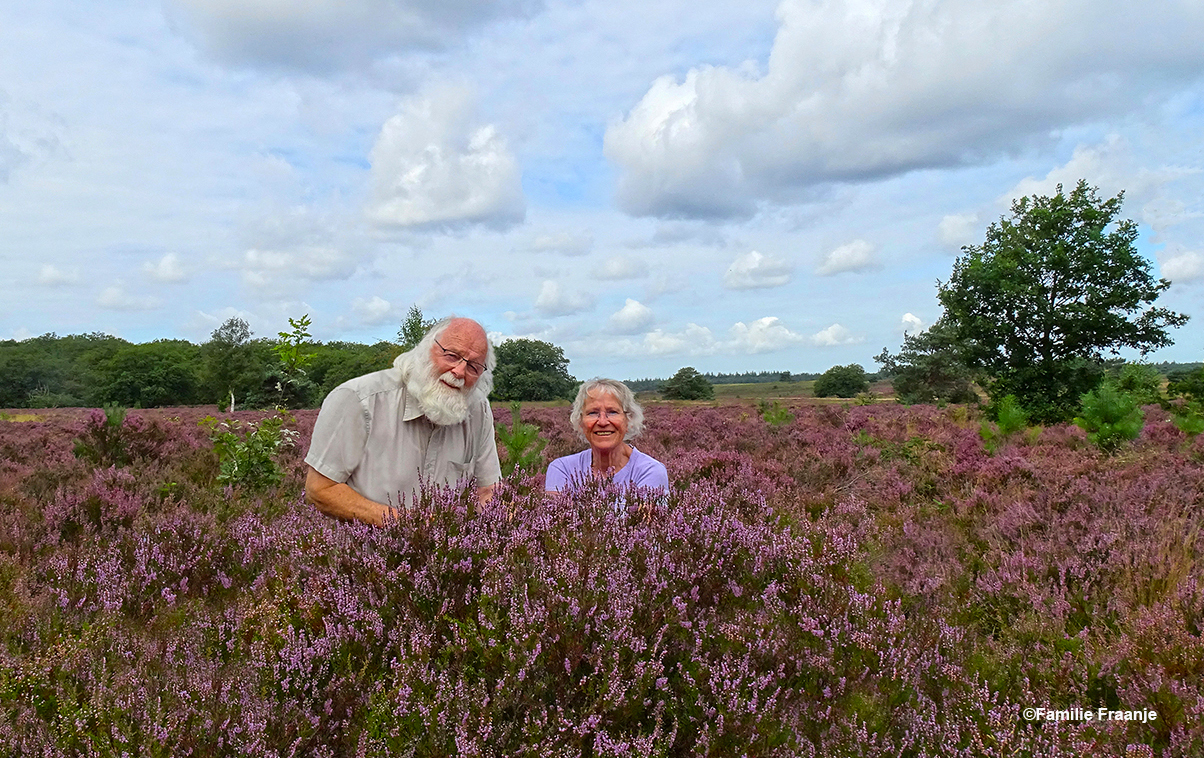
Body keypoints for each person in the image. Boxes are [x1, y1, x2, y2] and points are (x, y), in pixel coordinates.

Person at [305, 316, 501, 525]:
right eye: (452, 356)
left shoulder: (478, 411)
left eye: (473, 367)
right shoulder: (358, 400)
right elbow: (320, 490)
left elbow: (487, 490)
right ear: (425, 350)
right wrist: (405, 525)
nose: (460, 372)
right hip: (360, 555)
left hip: (442, 555)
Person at [545, 378, 668, 492]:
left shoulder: (650, 471)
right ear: (580, 422)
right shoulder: (562, 469)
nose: (603, 422)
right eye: (592, 413)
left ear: (629, 420)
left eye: (613, 412)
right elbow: (557, 514)